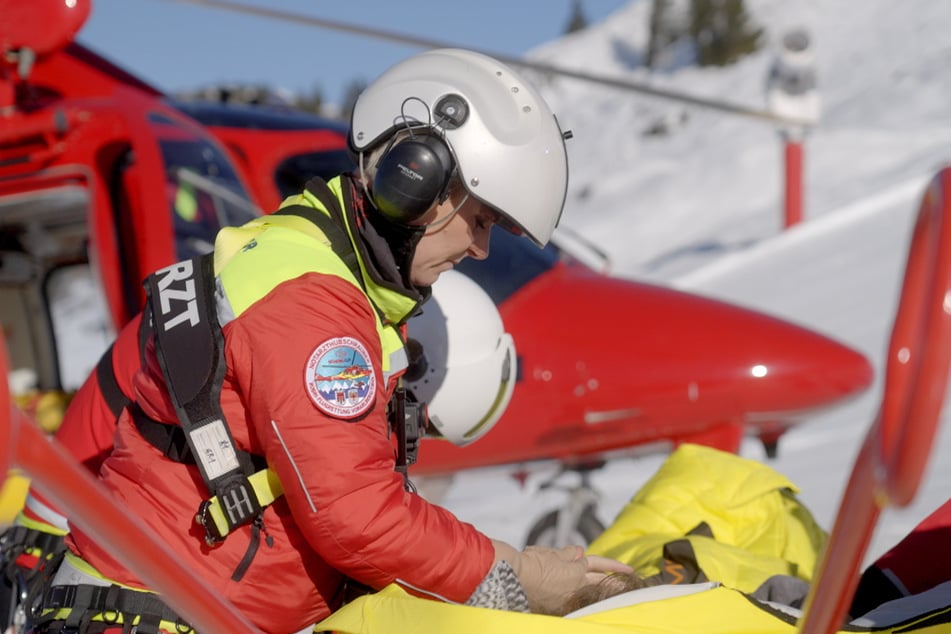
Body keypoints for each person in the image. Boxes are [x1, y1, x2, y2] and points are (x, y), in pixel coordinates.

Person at [27, 48, 632, 634]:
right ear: (414, 182)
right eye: (480, 220)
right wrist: (519, 579)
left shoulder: (310, 268)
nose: (480, 249)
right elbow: (355, 517)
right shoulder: (312, 302)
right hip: (153, 616)